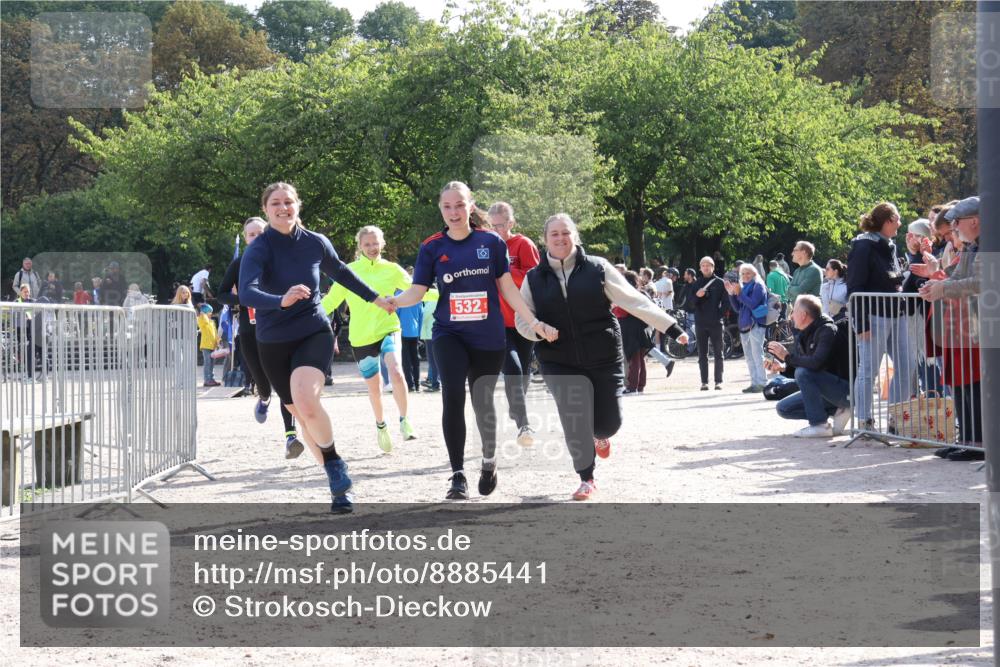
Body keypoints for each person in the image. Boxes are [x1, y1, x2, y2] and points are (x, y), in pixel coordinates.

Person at [389, 181, 555, 501]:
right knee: (452, 395)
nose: (453, 212)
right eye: (447, 206)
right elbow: (417, 291)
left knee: (483, 402)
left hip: (488, 336)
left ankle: (489, 462)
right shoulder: (432, 247)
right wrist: (393, 301)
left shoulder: (491, 242)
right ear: (441, 209)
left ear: (470, 206)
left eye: (459, 205)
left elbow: (507, 288)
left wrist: (532, 321)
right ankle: (457, 475)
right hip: (449, 333)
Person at [239, 182, 393, 514]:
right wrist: (280, 300)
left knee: (307, 403)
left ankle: (334, 465)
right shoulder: (259, 249)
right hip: (273, 340)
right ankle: (336, 482)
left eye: (289, 202)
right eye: (275, 203)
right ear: (266, 209)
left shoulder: (315, 242)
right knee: (301, 415)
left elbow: (341, 272)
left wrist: (377, 299)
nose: (283, 208)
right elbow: (247, 292)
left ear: (298, 205)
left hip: (313, 330)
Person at [516, 213, 688, 500]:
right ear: (545, 240)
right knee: (574, 417)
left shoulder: (597, 268)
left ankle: (601, 435)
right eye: (554, 234)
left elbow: (633, 300)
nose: (560, 238)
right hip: (557, 359)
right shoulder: (534, 278)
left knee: (609, 423)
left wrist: (671, 328)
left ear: (575, 236)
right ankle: (586, 478)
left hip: (603, 354)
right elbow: (523, 321)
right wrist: (540, 330)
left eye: (565, 233)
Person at [321, 225, 419, 454]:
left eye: (376, 243)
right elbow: (330, 302)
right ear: (360, 247)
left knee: (395, 370)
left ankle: (405, 420)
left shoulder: (393, 269)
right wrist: (301, 317)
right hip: (361, 336)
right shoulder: (348, 271)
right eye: (367, 244)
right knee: (374, 388)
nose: (372, 248)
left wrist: (445, 294)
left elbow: (417, 291)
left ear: (382, 244)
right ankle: (381, 425)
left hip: (389, 327)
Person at [216, 217, 303, 459]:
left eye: (260, 233)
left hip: (278, 329)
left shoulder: (279, 260)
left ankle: (291, 437)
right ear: (245, 239)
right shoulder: (240, 263)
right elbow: (222, 294)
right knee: (263, 384)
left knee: (286, 385)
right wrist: (245, 299)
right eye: (251, 234)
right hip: (250, 332)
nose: (256, 237)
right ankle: (264, 398)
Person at [916, 196, 982, 461]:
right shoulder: (971, 246)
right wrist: (936, 284)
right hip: (972, 325)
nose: (954, 228)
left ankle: (978, 443)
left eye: (957, 222)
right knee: (962, 384)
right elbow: (958, 278)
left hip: (982, 324)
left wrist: (942, 287)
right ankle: (967, 439)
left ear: (974, 221)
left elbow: (982, 282)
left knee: (975, 386)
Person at [846, 202, 916, 429]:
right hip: (874, 316)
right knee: (869, 369)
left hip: (897, 314)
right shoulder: (863, 246)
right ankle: (865, 421)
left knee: (907, 366)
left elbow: (892, 278)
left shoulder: (890, 245)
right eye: (897, 220)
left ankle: (896, 419)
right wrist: (861, 322)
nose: (899, 224)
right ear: (887, 221)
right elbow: (855, 286)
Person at [487, 201, 541, 446]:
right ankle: (524, 424)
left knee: (524, 372)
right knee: (513, 368)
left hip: (524, 319)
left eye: (501, 225)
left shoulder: (523, 244)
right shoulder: (485, 246)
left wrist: (505, 273)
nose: (496, 229)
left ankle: (515, 407)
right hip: (497, 322)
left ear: (511, 223)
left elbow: (537, 279)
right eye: (492, 225)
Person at [765, 295, 852, 438]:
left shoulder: (827, 330)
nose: (791, 315)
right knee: (783, 408)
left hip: (845, 390)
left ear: (804, 315)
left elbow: (815, 364)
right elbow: (804, 366)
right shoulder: (804, 333)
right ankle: (838, 411)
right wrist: (783, 367)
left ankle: (819, 425)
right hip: (827, 391)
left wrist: (787, 356)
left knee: (803, 373)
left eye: (793, 312)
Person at [725, 264, 768, 393]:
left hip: (756, 324)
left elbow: (753, 304)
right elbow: (738, 308)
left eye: (748, 273)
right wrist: (731, 294)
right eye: (743, 274)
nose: (745, 276)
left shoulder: (758, 286)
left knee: (757, 354)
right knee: (749, 356)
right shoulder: (743, 287)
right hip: (744, 325)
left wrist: (739, 293)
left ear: (754, 274)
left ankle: (762, 383)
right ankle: (754, 383)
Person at [692, 256, 727, 390]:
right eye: (703, 265)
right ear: (700, 268)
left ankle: (718, 381)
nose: (706, 268)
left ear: (713, 267)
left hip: (716, 323)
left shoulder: (720, 283)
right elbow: (690, 304)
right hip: (700, 322)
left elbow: (726, 303)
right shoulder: (696, 283)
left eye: (708, 265)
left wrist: (718, 315)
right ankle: (704, 382)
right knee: (702, 354)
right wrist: (697, 296)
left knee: (719, 353)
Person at [397, 266, 423, 394]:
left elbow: (396, 315)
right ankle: (417, 384)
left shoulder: (398, 295)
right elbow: (421, 315)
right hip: (415, 332)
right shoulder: (417, 296)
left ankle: (410, 384)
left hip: (402, 331)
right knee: (415, 359)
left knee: (405, 360)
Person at [419, 290, 440, 391]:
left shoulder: (431, 300)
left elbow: (423, 316)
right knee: (434, 360)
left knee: (433, 360)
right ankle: (433, 381)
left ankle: (435, 383)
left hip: (430, 334)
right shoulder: (433, 299)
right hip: (432, 333)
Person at [197, 304, 221, 387]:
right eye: (209, 312)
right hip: (206, 346)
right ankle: (207, 380)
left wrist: (217, 342)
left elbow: (215, 332)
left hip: (212, 346)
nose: (211, 313)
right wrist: (203, 313)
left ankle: (211, 378)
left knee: (212, 364)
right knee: (207, 363)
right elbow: (204, 320)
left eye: (211, 312)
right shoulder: (202, 320)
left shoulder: (212, 322)